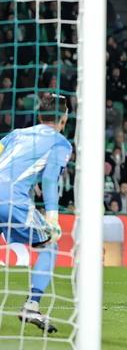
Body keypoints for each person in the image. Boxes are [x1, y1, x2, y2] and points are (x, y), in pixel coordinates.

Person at [1, 94, 73, 333]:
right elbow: (51, 179)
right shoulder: (60, 142)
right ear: (63, 118)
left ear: (39, 115)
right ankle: (32, 305)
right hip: (11, 199)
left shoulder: (16, 134)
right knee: (49, 243)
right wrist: (53, 217)